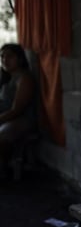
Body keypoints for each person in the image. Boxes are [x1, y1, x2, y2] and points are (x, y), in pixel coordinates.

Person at [0, 43, 36, 178]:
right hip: (6, 118)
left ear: (20, 58)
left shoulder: (24, 78)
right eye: (2, 57)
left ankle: (4, 167)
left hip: (21, 119)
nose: (4, 60)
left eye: (10, 56)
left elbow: (17, 110)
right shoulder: (6, 78)